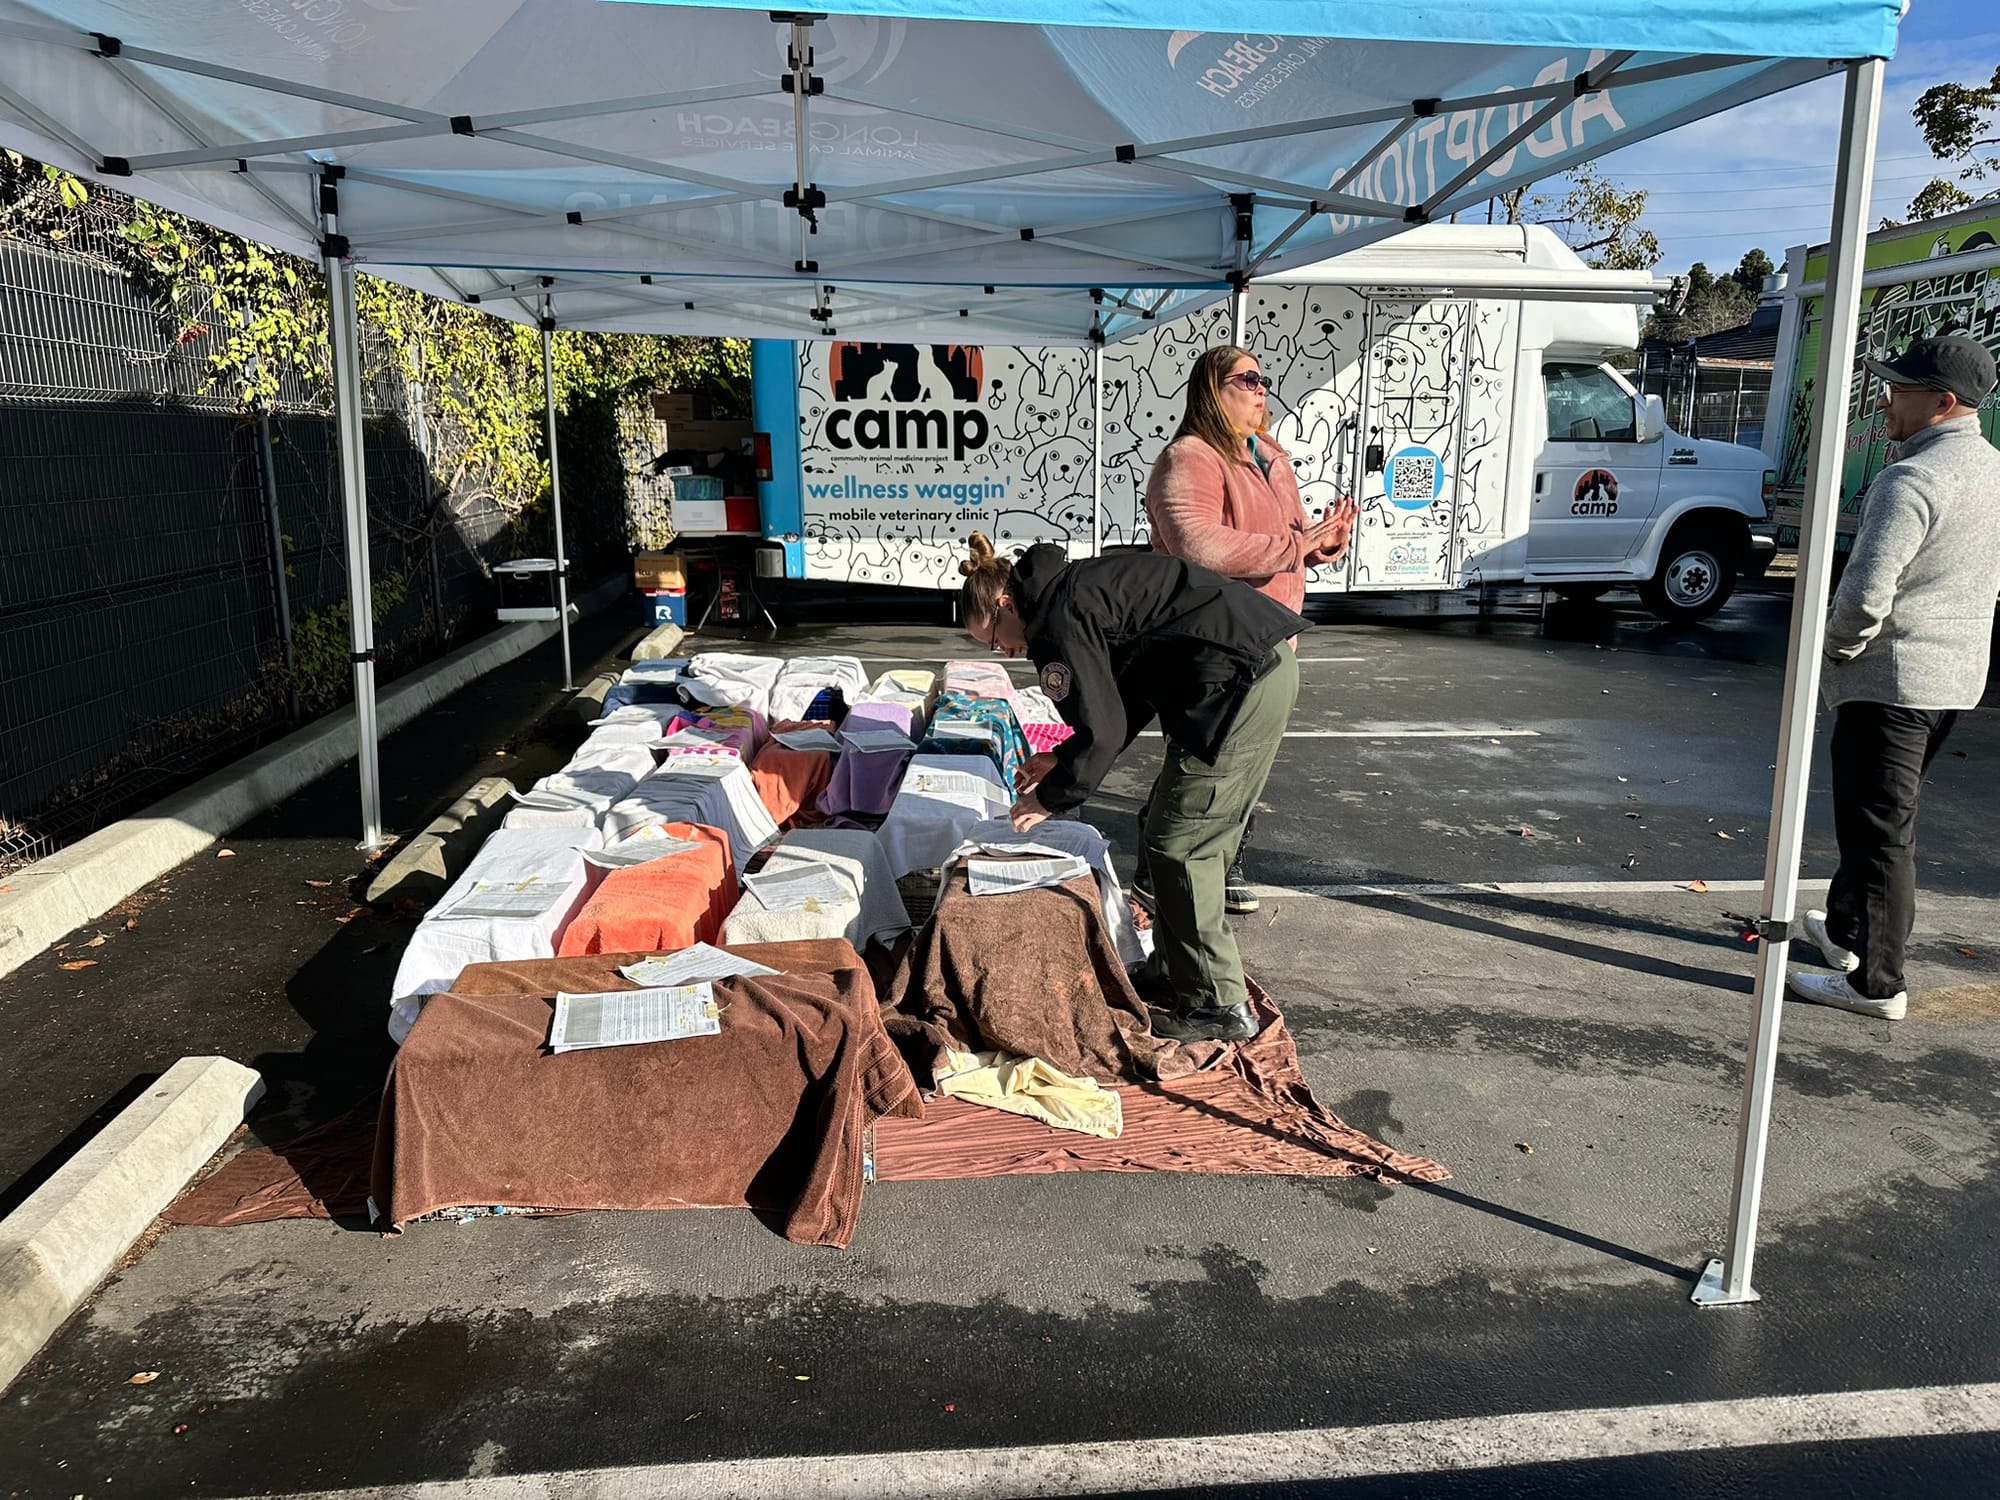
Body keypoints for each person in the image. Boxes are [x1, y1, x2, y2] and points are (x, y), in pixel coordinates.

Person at [957, 532, 1308, 1042]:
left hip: (1240, 679)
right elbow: (1121, 703)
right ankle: (1175, 972)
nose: (1008, 651)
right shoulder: (1070, 591)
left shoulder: (1055, 620)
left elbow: (1103, 730)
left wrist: (1050, 799)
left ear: (1006, 603)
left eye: (995, 639)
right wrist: (1060, 759)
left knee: (1183, 845)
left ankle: (1219, 1006)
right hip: (1250, 667)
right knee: (1163, 827)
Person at [1788, 333, 2000, 1020]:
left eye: (1899, 388)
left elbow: (1862, 598)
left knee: (1881, 835)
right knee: (1880, 818)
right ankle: (1845, 932)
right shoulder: (1992, 471)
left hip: (1892, 683)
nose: (1886, 397)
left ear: (1942, 403)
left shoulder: (1911, 479)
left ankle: (1876, 984)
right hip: (1953, 680)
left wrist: (1832, 655)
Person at [1138, 344, 1355, 915]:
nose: (1262, 388)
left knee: (1244, 771)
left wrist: (1320, 544)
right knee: (1201, 773)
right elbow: (1200, 546)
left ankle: (1216, 864)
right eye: (1248, 378)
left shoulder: (1271, 457)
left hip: (1272, 641)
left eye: (1264, 379)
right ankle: (1159, 879)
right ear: (1213, 389)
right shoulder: (1189, 457)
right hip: (1215, 648)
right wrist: (1298, 545)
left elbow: (1288, 541)